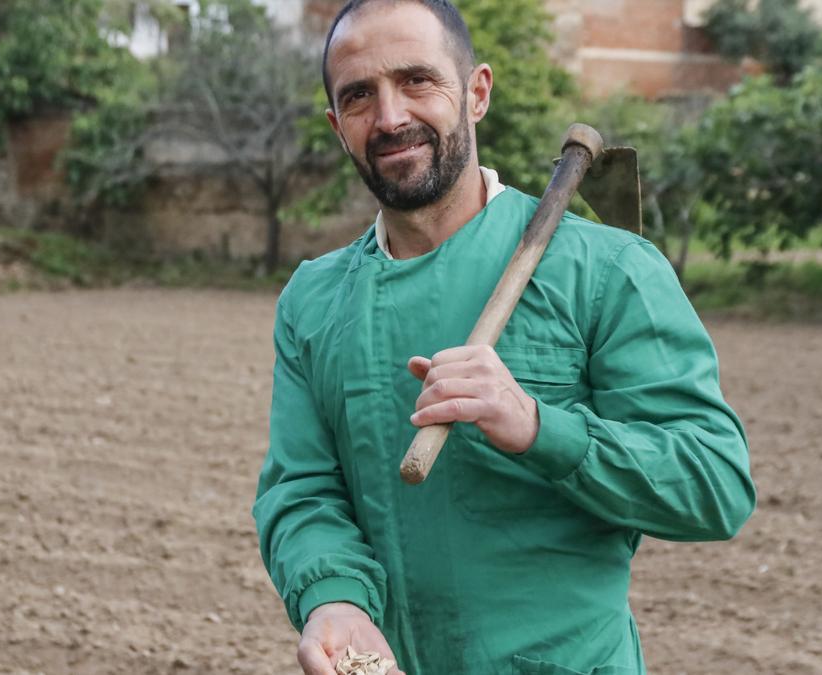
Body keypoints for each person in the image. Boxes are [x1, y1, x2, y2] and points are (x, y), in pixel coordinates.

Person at [252, 1, 756, 673]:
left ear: (477, 92)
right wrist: (333, 598)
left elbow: (714, 483)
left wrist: (537, 425)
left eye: (417, 81)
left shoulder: (605, 271)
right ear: (337, 125)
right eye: (359, 96)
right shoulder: (314, 301)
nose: (391, 116)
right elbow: (303, 491)